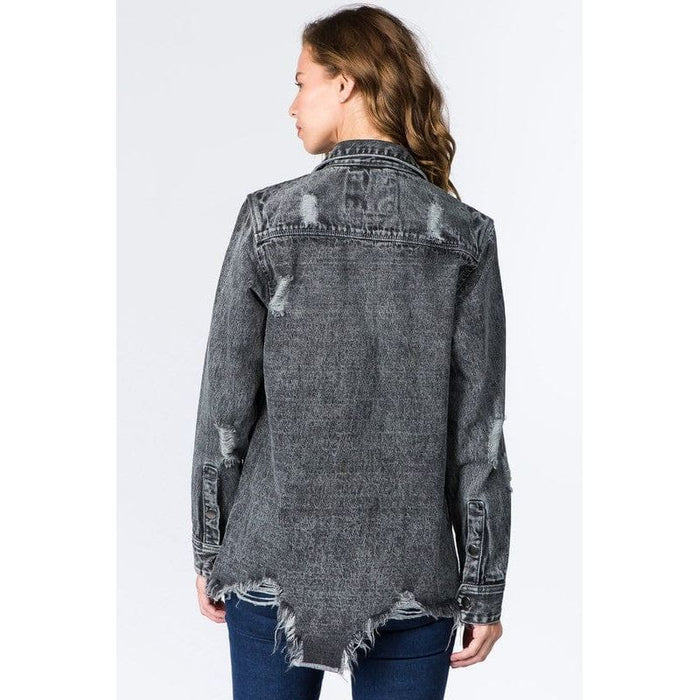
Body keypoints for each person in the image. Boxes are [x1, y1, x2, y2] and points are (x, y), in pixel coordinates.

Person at [191, 5, 512, 699]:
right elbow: (478, 435)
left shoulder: (268, 220)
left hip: (272, 561)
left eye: (301, 82)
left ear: (345, 83)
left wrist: (212, 549)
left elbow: (224, 409)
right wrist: (483, 586)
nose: (292, 105)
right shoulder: (464, 236)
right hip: (413, 571)